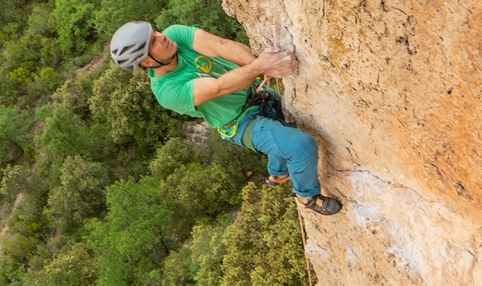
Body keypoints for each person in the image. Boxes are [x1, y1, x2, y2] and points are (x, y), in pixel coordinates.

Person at [109, 21, 343, 216]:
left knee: (283, 129)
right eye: (153, 41)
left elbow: (220, 45)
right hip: (240, 123)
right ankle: (306, 196)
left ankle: (278, 173)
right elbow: (219, 88)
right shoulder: (167, 91)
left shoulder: (174, 36)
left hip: (257, 95)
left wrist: (258, 65)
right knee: (301, 146)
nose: (161, 36)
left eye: (154, 32)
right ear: (147, 62)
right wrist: (260, 66)